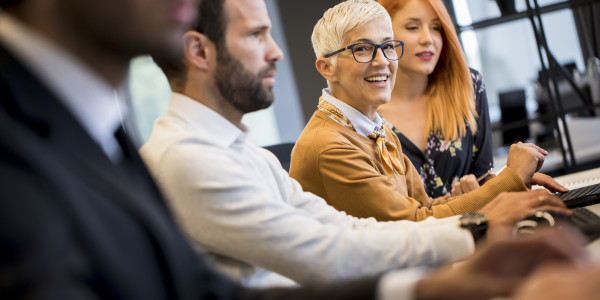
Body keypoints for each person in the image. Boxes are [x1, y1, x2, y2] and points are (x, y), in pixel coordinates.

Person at [0, 0, 588, 299]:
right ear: (199, 51)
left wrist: (438, 277)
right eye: (257, 35)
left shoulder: (229, 150)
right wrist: (481, 224)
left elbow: (331, 236)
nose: (276, 52)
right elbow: (326, 253)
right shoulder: (180, 155)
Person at [288, 0, 566, 222]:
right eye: (362, 49)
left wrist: (510, 185)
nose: (382, 61)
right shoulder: (330, 146)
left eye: (387, 46)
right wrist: (510, 180)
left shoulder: (373, 127)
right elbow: (417, 224)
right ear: (327, 68)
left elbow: (428, 205)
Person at [377, 0, 492, 198]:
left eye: (436, 28)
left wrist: (514, 179)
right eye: (413, 27)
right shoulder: (365, 117)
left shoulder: (468, 86)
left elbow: (486, 177)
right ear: (382, 33)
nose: (428, 39)